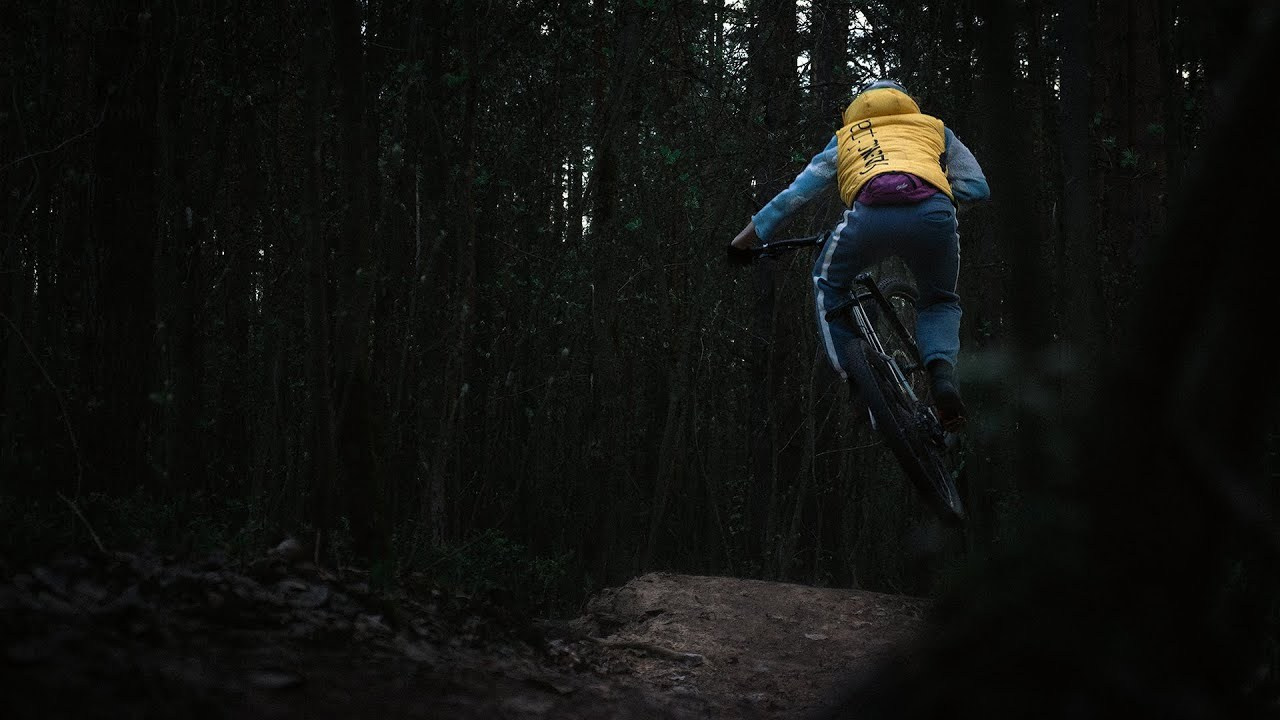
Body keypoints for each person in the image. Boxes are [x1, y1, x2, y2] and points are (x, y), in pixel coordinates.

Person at [731, 78, 990, 429]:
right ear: (906, 101)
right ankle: (942, 377)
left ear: (858, 106)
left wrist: (746, 239)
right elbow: (977, 187)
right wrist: (941, 208)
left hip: (870, 219)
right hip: (935, 215)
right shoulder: (936, 129)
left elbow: (796, 194)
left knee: (828, 281)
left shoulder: (846, 136)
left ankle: (855, 378)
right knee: (939, 300)